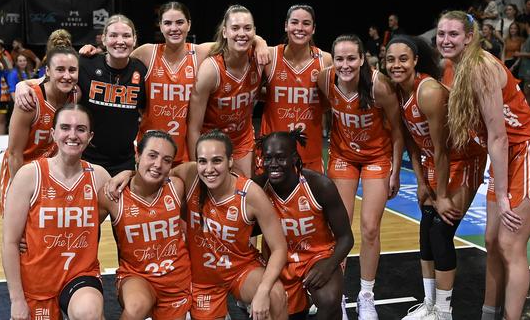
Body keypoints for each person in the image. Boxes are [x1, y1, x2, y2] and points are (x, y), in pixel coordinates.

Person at [436, 11, 530, 320]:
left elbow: (498, 137)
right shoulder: (454, 69)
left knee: (509, 243)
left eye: (453, 34)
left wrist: (503, 195)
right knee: (492, 241)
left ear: (469, 37)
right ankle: (488, 312)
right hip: (509, 155)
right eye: (441, 34)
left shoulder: (481, 68)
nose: (445, 39)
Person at [79, 1, 270, 166]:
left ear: (189, 25)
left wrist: (260, 43)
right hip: (150, 146)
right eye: (168, 23)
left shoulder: (201, 52)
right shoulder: (147, 52)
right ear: (160, 26)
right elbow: (117, 56)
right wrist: (94, 54)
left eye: (180, 22)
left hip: (185, 148)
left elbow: (237, 39)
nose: (174, 28)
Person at [385, 35, 487, 320]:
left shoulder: (428, 91)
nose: (396, 65)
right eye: (390, 60)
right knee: (426, 230)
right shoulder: (398, 92)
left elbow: (442, 149)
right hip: (434, 161)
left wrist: (441, 195)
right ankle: (429, 305)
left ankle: (444, 311)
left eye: (403, 59)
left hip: (464, 159)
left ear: (416, 60)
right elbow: (413, 145)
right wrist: (420, 183)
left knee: (441, 231)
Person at [317, 34, 403, 319]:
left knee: (369, 228)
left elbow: (397, 129)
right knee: (338, 229)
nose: (345, 64)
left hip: (377, 158)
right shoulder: (325, 79)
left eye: (351, 58)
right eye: (339, 58)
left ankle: (366, 295)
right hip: (342, 157)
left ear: (363, 58)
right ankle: (337, 295)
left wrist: (396, 170)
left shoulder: (379, 86)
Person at [2, 103, 110, 320]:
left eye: (80, 129)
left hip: (79, 275)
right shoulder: (29, 175)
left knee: (88, 312)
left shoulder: (99, 177)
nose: (73, 134)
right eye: (65, 127)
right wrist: (17, 300)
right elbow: (9, 242)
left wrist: (126, 175)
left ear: (90, 136)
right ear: (53, 133)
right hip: (37, 282)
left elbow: (129, 202)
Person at [171, 129, 288, 320]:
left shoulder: (250, 194)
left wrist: (263, 291)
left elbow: (279, 248)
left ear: (230, 161)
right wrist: (127, 174)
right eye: (203, 161)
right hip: (203, 277)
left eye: (217, 160)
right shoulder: (189, 174)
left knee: (275, 295)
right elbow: (154, 176)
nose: (209, 169)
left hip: (240, 269)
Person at [15, 15, 148, 176]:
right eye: (113, 35)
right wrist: (23, 84)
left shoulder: (142, 71)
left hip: (124, 164)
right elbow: (53, 78)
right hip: (84, 159)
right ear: (104, 39)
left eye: (126, 36)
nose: (120, 41)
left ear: (134, 40)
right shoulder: (86, 63)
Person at [254, 130, 354, 319]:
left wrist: (330, 266)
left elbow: (346, 238)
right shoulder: (256, 188)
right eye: (268, 158)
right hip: (278, 260)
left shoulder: (319, 186)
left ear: (293, 158)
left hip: (317, 256)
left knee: (330, 300)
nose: (273, 164)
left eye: (280, 158)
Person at [99, 130, 192, 319]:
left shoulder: (176, 186)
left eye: (166, 160)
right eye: (152, 155)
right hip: (136, 277)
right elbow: (84, 230)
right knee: (136, 307)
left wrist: (132, 171)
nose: (158, 164)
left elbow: (201, 168)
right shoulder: (113, 195)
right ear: (137, 154)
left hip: (177, 279)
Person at [0, 46, 79, 216]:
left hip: (49, 176)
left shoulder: (75, 95)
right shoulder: (30, 100)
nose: (67, 75)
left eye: (72, 70)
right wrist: (20, 192)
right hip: (20, 172)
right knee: (17, 238)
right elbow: (14, 154)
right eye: (60, 69)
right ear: (47, 71)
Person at [187, 5, 263, 177]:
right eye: (235, 28)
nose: (242, 33)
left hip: (242, 140)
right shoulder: (210, 69)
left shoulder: (260, 59)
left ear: (254, 32)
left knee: (243, 193)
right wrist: (195, 167)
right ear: (225, 32)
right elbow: (193, 127)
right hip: (211, 141)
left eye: (247, 28)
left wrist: (261, 42)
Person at [259, 4, 332, 173]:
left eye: (306, 23)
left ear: (313, 29)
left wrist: (311, 106)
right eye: (294, 22)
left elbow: (333, 101)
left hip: (310, 155)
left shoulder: (325, 60)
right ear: (286, 25)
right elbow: (252, 92)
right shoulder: (270, 57)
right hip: (272, 154)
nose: (300, 28)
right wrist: (259, 41)